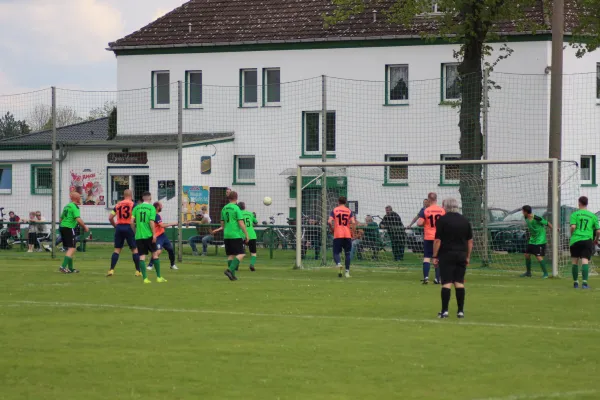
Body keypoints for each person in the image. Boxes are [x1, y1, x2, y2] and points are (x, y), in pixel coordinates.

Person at [432, 198, 472, 319]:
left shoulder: (442, 220)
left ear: (446, 207)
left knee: (447, 282)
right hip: (461, 254)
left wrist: (434, 256)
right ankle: (460, 311)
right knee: (459, 282)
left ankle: (445, 311)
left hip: (446, 254)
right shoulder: (465, 220)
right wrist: (468, 256)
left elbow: (438, 240)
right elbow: (470, 241)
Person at [131, 192, 166, 284]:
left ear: (142, 198)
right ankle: (158, 277)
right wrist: (154, 234)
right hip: (148, 235)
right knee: (155, 254)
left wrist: (135, 232)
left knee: (142, 256)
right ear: (150, 198)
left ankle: (145, 279)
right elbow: (151, 222)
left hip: (139, 235)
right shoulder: (151, 208)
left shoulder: (136, 208)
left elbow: (131, 222)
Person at [215, 191, 249, 281]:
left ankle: (232, 276)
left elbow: (222, 223)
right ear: (236, 198)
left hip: (226, 234)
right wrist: (246, 234)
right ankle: (229, 270)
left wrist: (225, 228)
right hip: (235, 234)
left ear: (228, 198)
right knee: (241, 254)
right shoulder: (236, 208)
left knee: (231, 255)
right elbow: (241, 223)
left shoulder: (224, 208)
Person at [107, 189, 141, 277]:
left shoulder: (118, 205)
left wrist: (115, 226)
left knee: (117, 250)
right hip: (128, 227)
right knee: (134, 249)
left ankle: (111, 270)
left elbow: (110, 217)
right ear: (131, 195)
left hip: (119, 227)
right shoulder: (133, 205)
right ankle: (138, 271)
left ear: (123, 195)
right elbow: (137, 217)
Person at [569, 196, 599, 289]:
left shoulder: (574, 214)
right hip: (587, 240)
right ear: (587, 203)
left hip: (575, 240)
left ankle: (575, 283)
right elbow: (598, 231)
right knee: (585, 261)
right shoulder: (593, 216)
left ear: (579, 203)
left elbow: (573, 227)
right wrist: (596, 239)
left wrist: (572, 234)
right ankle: (585, 283)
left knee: (574, 261)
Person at [418, 193, 446, 284]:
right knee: (438, 257)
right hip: (439, 237)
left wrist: (425, 223)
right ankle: (437, 278)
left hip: (429, 237)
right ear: (436, 199)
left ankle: (426, 277)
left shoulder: (426, 211)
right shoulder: (442, 210)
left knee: (427, 257)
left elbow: (419, 223)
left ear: (429, 200)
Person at [58, 192, 89, 274]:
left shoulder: (67, 206)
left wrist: (62, 226)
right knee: (72, 248)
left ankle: (70, 268)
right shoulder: (75, 207)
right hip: (69, 228)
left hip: (62, 227)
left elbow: (61, 218)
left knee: (70, 248)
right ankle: (63, 267)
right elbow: (78, 219)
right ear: (77, 198)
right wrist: (85, 227)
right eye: (80, 197)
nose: (80, 199)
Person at [521, 205, 552, 279]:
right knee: (527, 255)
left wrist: (554, 229)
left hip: (540, 240)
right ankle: (528, 273)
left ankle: (546, 274)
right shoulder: (526, 218)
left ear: (525, 212)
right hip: (532, 239)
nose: (522, 212)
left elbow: (547, 223)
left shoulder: (537, 218)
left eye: (522, 211)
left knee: (538, 256)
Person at [328, 196, 356, 278]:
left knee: (336, 252)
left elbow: (329, 221)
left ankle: (339, 264)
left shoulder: (335, 210)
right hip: (347, 235)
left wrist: (332, 229)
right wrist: (352, 233)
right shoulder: (349, 211)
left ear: (338, 202)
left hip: (338, 235)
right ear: (345, 202)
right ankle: (347, 273)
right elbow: (353, 223)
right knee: (347, 254)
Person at [148, 202, 179, 271]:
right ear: (157, 207)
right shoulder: (155, 215)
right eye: (161, 206)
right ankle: (150, 265)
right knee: (158, 251)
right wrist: (174, 223)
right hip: (158, 236)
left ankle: (172, 264)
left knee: (170, 249)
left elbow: (160, 225)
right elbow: (162, 225)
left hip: (163, 236)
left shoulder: (156, 215)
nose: (162, 207)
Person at [238, 202, 258, 271]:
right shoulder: (250, 214)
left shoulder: (238, 214)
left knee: (239, 252)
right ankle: (252, 264)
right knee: (253, 252)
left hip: (241, 235)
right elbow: (256, 222)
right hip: (251, 235)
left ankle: (236, 265)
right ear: (244, 207)